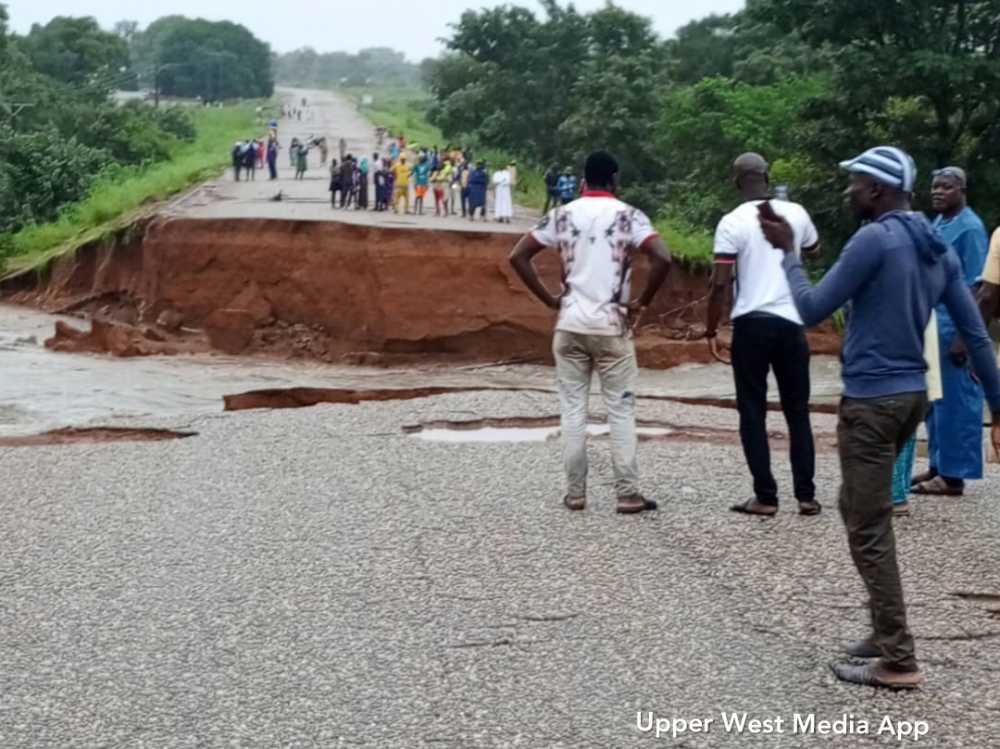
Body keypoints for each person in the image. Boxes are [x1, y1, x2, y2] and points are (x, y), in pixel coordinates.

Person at [757, 145, 1000, 689]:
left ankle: (897, 657)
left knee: (868, 526)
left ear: (877, 190)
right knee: (857, 507)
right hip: (911, 396)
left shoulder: (873, 240)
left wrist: (789, 253)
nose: (849, 191)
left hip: (871, 402)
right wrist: (999, 406)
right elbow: (977, 333)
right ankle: (881, 626)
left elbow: (810, 308)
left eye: (856, 183)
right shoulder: (935, 244)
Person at [509, 150, 672, 514]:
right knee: (620, 409)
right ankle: (627, 494)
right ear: (614, 180)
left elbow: (518, 256)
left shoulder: (562, 215)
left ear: (583, 181)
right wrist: (643, 301)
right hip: (612, 325)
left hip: (569, 325)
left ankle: (575, 493)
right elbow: (662, 257)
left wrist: (549, 300)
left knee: (572, 409)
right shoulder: (630, 216)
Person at [707, 153, 821, 517]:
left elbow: (720, 283)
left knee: (752, 410)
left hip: (752, 324)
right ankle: (806, 496)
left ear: (736, 181)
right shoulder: (797, 213)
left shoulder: (731, 222)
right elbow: (815, 251)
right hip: (792, 323)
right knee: (797, 410)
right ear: (768, 177)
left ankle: (766, 497)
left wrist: (711, 327)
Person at [912, 167, 990, 496]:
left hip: (955, 324)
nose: (938, 192)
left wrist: (964, 336)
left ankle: (954, 474)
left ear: (962, 191)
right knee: (935, 398)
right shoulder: (939, 223)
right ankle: (938, 464)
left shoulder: (970, 228)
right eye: (935, 186)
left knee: (958, 399)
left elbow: (979, 286)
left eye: (946, 187)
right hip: (933, 321)